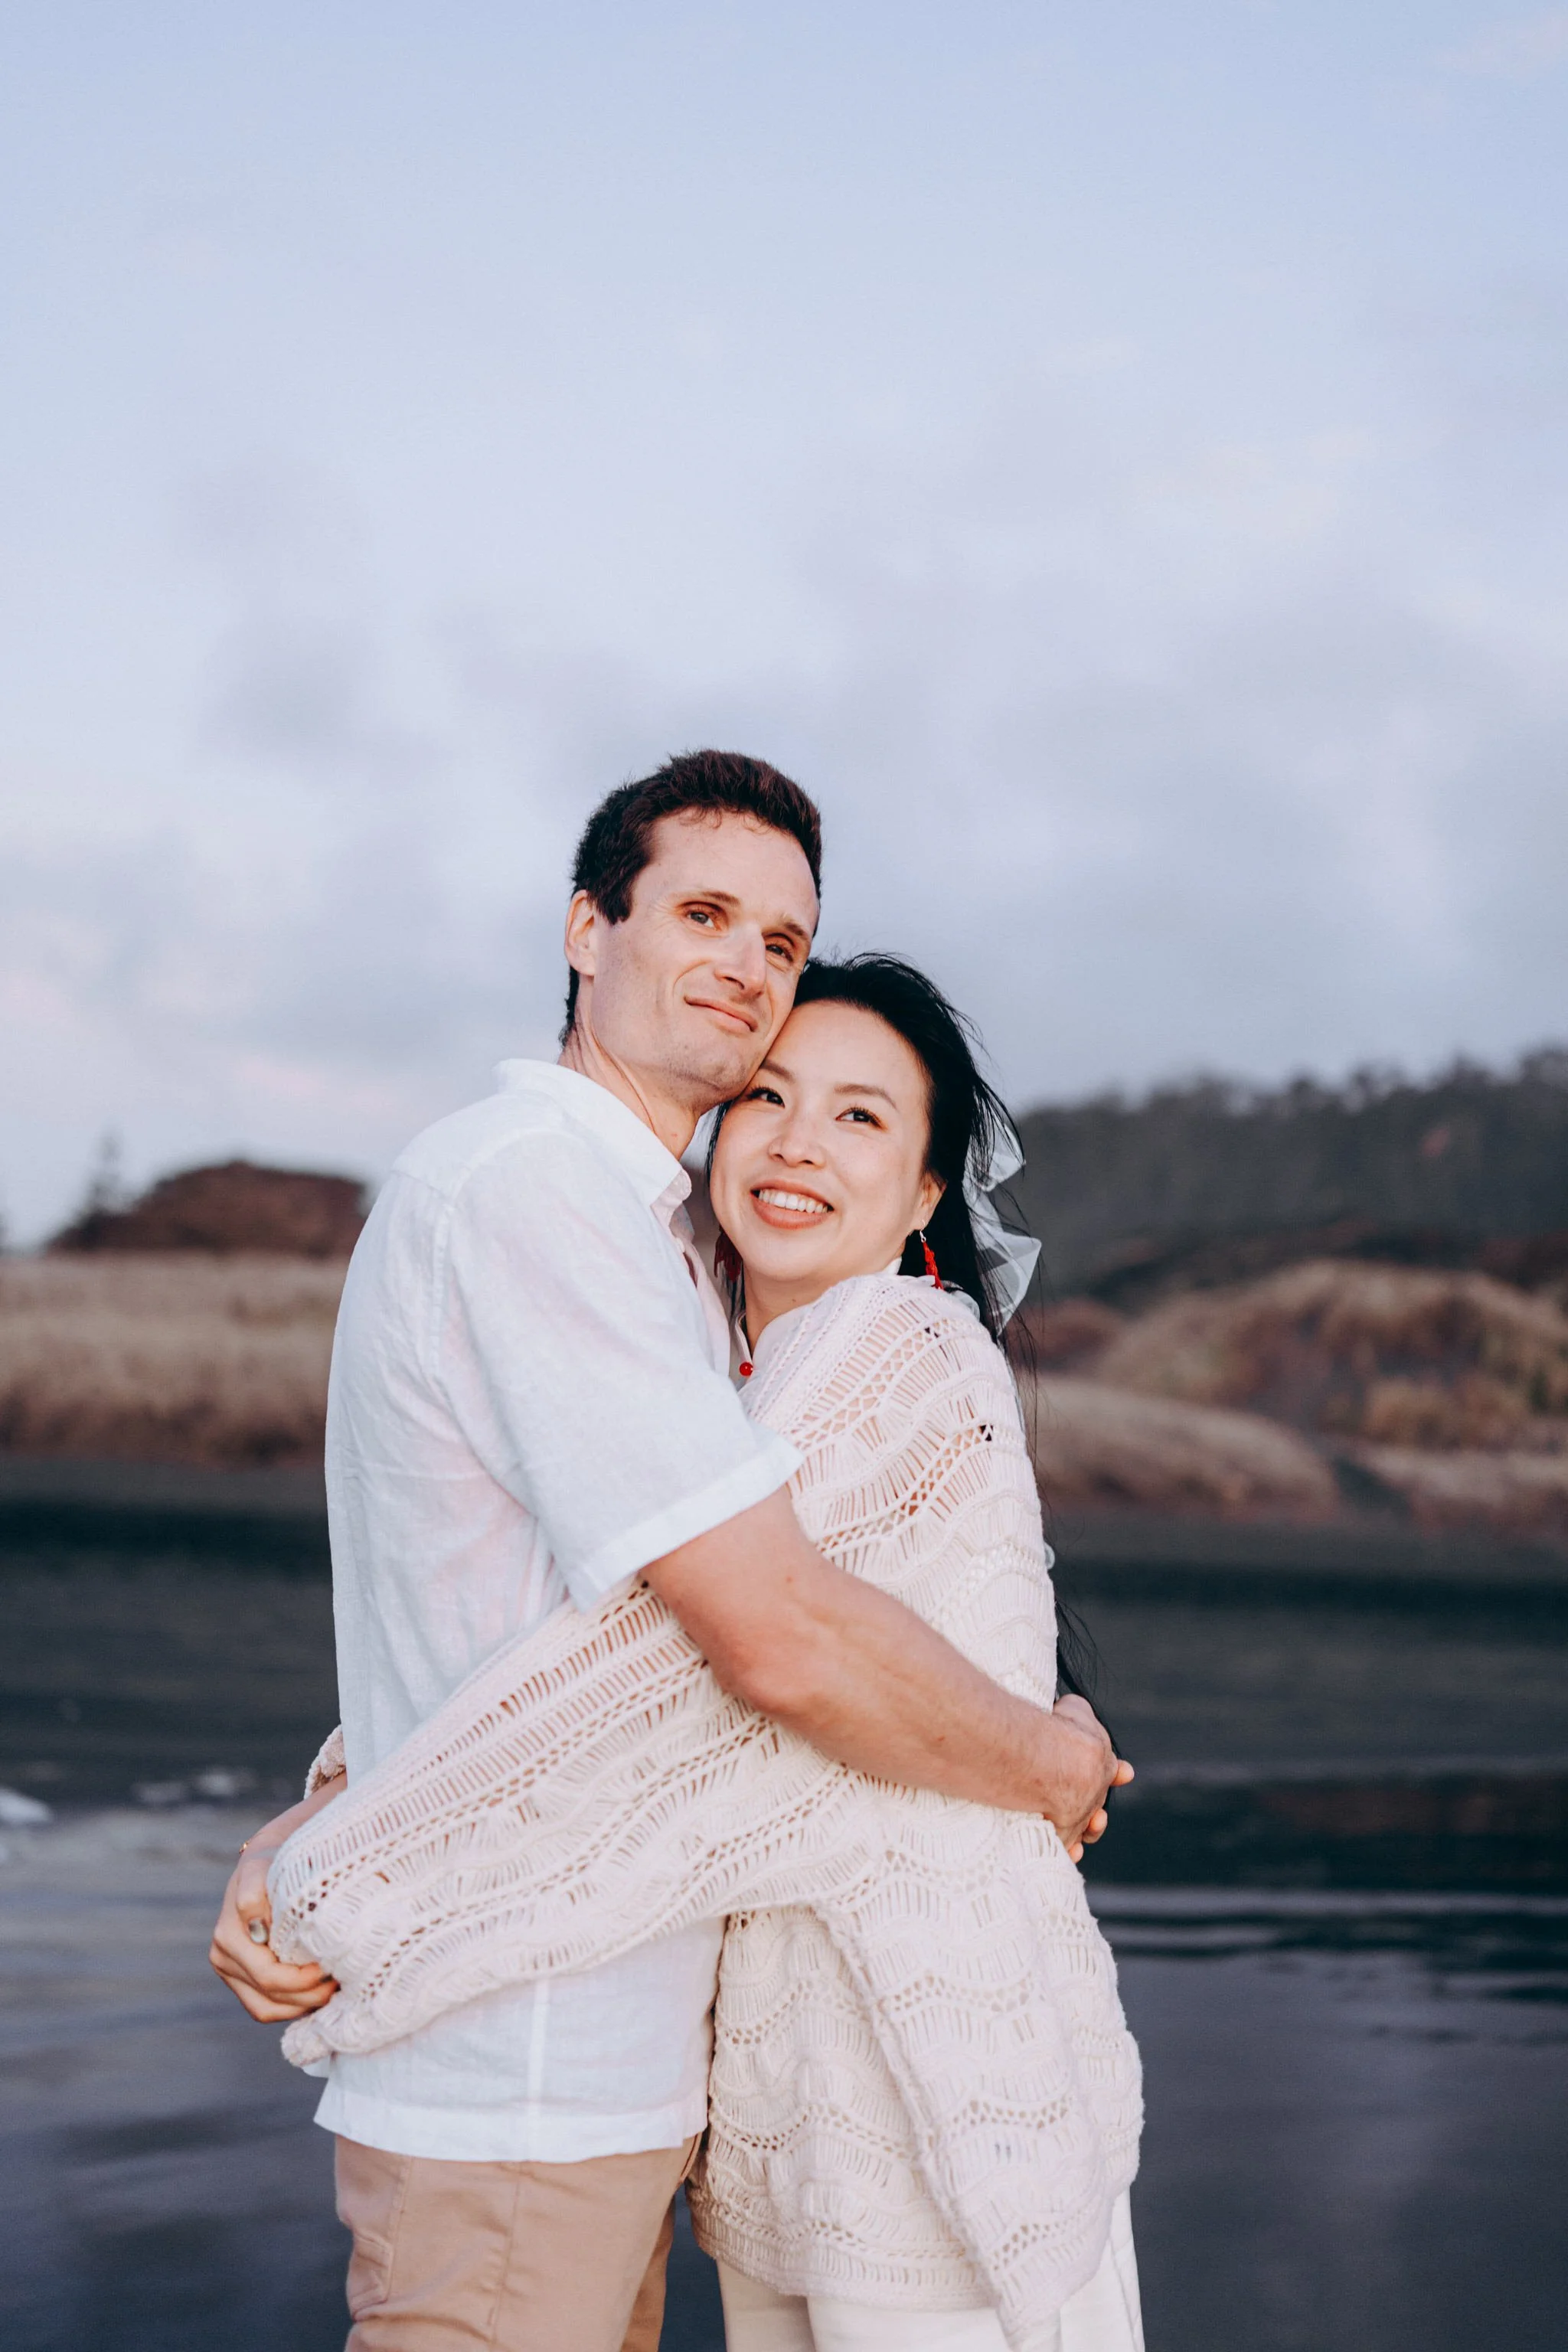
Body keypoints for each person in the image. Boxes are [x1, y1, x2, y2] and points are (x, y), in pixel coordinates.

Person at [209, 753, 1127, 2352]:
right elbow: (755, 1650)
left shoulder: (700, 1279)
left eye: (779, 942)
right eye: (703, 912)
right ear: (586, 925)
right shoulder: (543, 1198)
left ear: (921, 1194)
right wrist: (336, 1839)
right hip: (529, 2079)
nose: (744, 969)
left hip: (685, 2084)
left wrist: (340, 1834)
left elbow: (602, 1645)